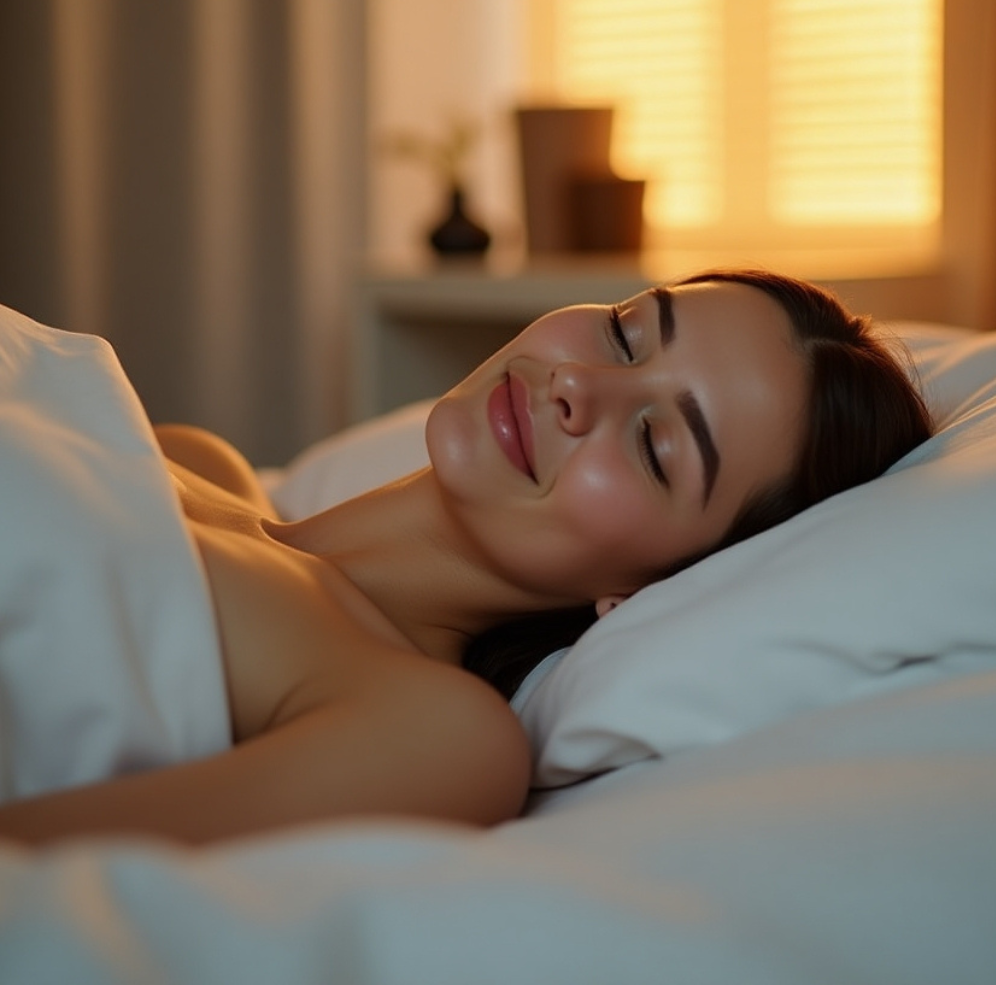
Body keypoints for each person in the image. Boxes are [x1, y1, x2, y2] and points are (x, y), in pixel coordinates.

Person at [0, 269, 932, 846]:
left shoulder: (437, 734)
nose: (577, 384)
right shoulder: (195, 460)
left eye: (656, 446)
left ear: (651, 591)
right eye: (624, 331)